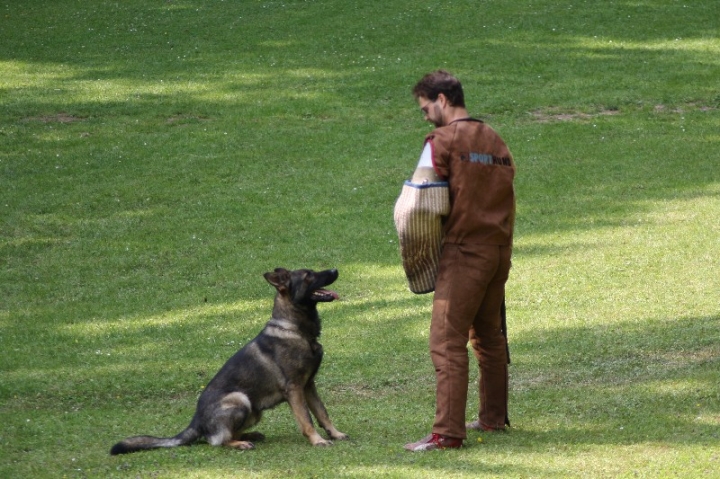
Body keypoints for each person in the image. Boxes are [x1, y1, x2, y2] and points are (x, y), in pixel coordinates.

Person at [403, 70, 516, 452]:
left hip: (465, 251)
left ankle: (447, 434)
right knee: (488, 337)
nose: (425, 117)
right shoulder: (495, 139)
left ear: (442, 99)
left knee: (446, 341)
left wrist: (418, 248)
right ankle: (493, 418)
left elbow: (418, 200)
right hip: (498, 252)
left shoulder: (443, 139)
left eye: (425, 108)